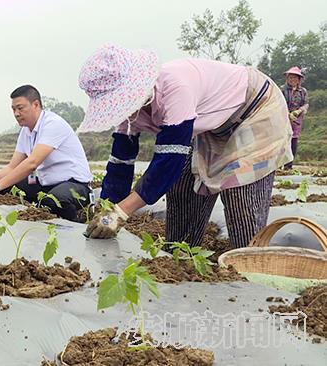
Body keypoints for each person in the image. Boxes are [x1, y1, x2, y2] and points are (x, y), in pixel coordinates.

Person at [79, 44, 292, 248]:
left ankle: (248, 261)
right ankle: (181, 253)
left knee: (239, 193)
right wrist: (107, 207)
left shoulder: (175, 88)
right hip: (212, 126)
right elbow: (120, 163)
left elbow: (167, 164)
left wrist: (121, 212)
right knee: (183, 184)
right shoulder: (129, 112)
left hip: (254, 109)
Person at [0, 85, 93, 222]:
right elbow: (13, 167)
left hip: (74, 184)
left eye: (20, 108)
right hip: (46, 182)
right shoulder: (26, 131)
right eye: (13, 109)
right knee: (6, 188)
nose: (16, 113)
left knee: (53, 201)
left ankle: (80, 223)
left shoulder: (52, 124)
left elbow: (32, 163)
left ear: (35, 105)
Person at [281, 66, 309, 170]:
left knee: (293, 140)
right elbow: (280, 103)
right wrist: (288, 114)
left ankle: (289, 165)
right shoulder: (282, 90)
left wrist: (298, 111)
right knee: (283, 140)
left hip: (296, 120)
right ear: (287, 78)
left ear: (299, 79)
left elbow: (306, 104)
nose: (293, 80)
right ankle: (280, 164)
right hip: (284, 118)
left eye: (295, 78)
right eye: (291, 77)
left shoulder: (303, 91)